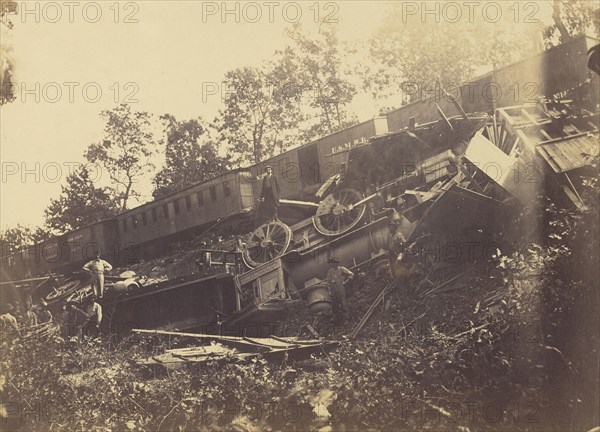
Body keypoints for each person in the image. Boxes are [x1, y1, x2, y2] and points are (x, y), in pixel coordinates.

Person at [326, 257, 354, 323]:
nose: (334, 264)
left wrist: (346, 281)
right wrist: (329, 291)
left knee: (343, 303)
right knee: (334, 305)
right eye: (333, 263)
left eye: (335, 263)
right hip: (333, 289)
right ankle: (336, 318)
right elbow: (328, 282)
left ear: (337, 263)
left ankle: (346, 318)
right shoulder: (330, 271)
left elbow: (351, 274)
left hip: (340, 288)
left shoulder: (341, 269)